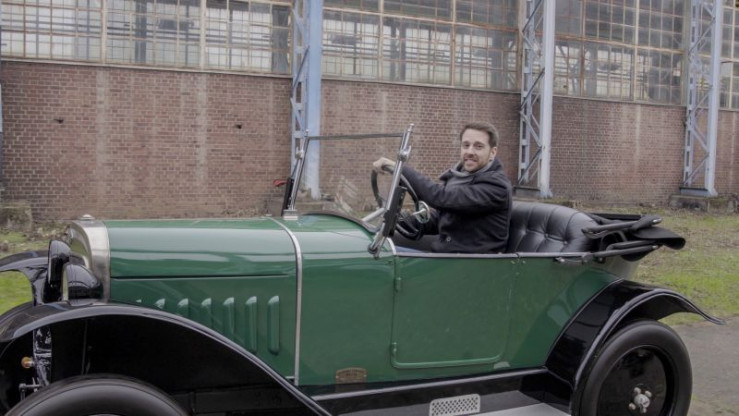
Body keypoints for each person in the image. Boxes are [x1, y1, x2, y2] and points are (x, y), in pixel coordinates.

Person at [373, 122, 512, 253]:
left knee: (380, 257)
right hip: (447, 257)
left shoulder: (496, 186)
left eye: (478, 146)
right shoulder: (460, 178)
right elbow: (441, 219)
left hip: (470, 262)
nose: (470, 151)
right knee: (378, 246)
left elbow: (440, 197)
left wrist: (400, 169)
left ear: (492, 152)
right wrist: (398, 219)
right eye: (466, 145)